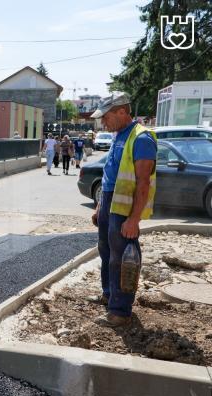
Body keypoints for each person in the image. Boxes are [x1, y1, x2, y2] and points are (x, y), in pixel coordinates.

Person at [88, 92, 157, 328]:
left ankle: (120, 311)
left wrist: (134, 219)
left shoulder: (142, 139)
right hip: (109, 202)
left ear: (121, 112)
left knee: (122, 258)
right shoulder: (119, 135)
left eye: (106, 117)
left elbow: (143, 182)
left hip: (125, 209)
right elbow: (109, 175)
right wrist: (100, 206)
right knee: (106, 251)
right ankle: (109, 295)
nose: (103, 123)